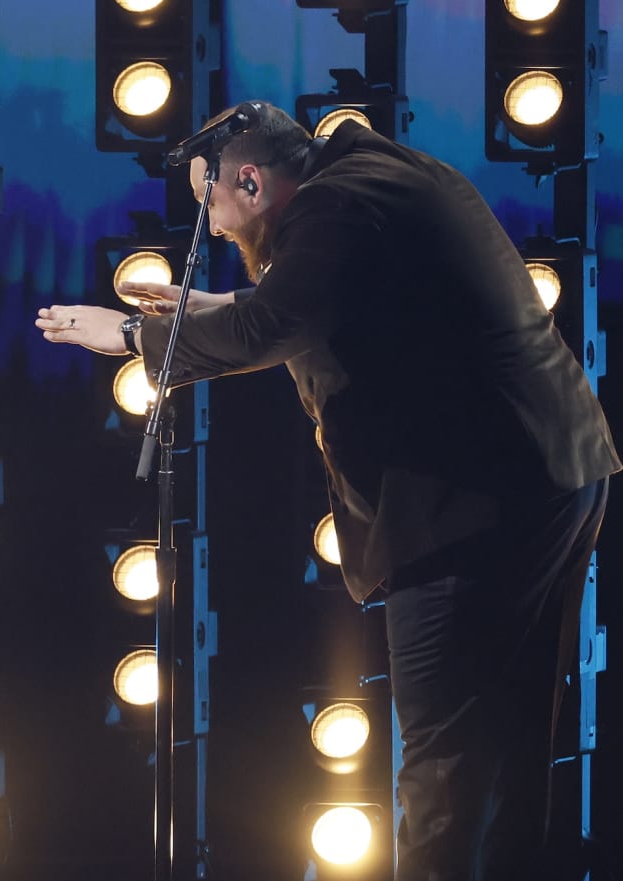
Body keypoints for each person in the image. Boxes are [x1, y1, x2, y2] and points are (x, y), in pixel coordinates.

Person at [36, 102, 617, 880]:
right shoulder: (369, 180)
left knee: (445, 765)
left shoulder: (335, 203)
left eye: (211, 202)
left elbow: (273, 324)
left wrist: (131, 336)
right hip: (543, 477)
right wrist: (212, 310)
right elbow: (313, 306)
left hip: (471, 504)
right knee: (506, 750)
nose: (211, 226)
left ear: (251, 179)